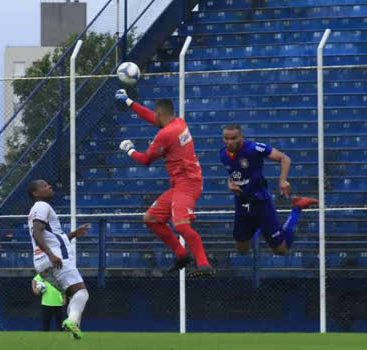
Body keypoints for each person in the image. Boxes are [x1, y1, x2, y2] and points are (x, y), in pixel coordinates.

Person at [115, 90, 214, 276]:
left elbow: (145, 159)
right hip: (182, 184)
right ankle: (181, 253)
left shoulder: (165, 135)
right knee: (151, 218)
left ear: (160, 114)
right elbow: (152, 118)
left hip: (187, 184)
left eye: (156, 114)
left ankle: (203, 264)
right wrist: (129, 102)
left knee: (182, 225)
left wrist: (129, 150)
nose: (154, 117)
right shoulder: (179, 123)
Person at [220, 124, 319, 255]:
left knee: (281, 250)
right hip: (242, 203)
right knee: (242, 249)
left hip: (261, 202)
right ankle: (259, 227)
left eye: (233, 138)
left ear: (241, 137)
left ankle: (297, 208)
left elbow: (284, 158)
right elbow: (234, 174)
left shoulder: (253, 148)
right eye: (226, 138)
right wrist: (230, 184)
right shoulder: (223, 154)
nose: (230, 142)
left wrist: (282, 180)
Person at [28, 179, 89, 339]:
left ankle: (74, 334)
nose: (49, 186)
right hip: (57, 259)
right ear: (36, 193)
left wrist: (75, 233)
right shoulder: (42, 206)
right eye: (44, 185)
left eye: (49, 184)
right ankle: (72, 321)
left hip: (42, 263)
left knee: (73, 295)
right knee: (82, 293)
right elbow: (37, 232)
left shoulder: (36, 209)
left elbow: (53, 238)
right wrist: (51, 255)